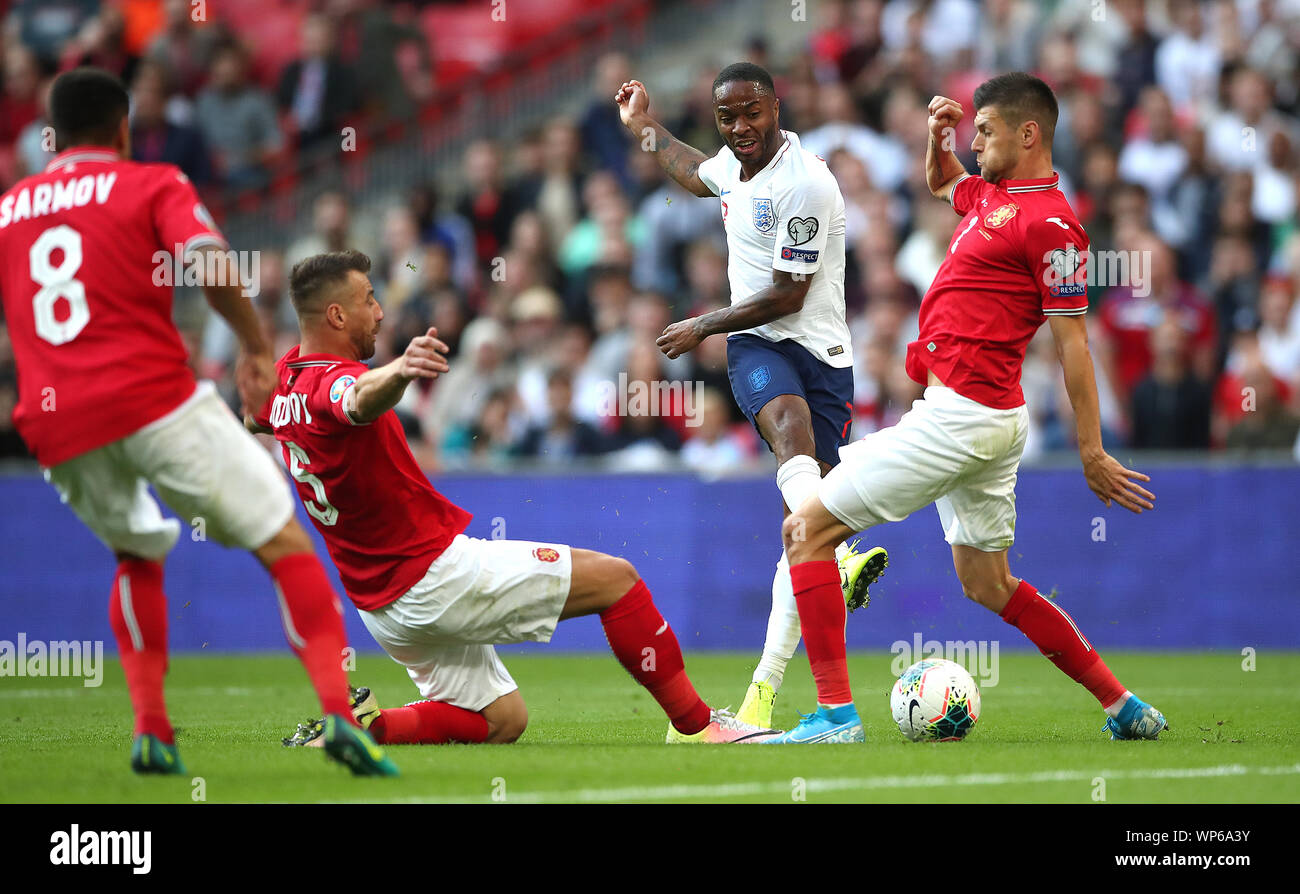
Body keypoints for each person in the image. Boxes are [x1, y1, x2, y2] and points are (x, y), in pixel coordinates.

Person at [0, 68, 392, 775]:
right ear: (123, 128)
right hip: (149, 396)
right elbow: (209, 263)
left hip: (56, 422)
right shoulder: (152, 183)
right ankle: (340, 715)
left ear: (49, 134)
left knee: (135, 551)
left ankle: (152, 729)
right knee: (279, 536)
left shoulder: (10, 209)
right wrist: (253, 343)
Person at [770, 73, 1168, 744]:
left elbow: (1074, 344)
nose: (974, 142)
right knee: (989, 582)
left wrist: (1091, 448)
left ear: (1028, 133)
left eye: (985, 131)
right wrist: (937, 138)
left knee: (805, 532)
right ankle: (1121, 705)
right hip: (984, 419)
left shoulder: (1055, 226)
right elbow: (940, 182)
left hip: (962, 418)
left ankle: (835, 715)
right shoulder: (993, 197)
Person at [251, 251, 775, 747]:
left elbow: (265, 414)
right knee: (618, 581)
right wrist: (400, 372)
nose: (380, 311)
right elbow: (358, 401)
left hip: (380, 606)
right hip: (429, 577)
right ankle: (698, 725)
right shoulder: (338, 383)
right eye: (368, 299)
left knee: (501, 720)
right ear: (337, 314)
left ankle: (365, 727)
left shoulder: (289, 379)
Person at [614, 63, 887, 730]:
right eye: (728, 117)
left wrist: (705, 322)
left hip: (821, 355)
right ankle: (844, 558)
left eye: (751, 113)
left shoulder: (807, 184)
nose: (740, 128)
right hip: (758, 346)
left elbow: (791, 294)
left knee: (800, 534)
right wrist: (643, 126)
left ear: (776, 107)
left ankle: (763, 690)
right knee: (789, 433)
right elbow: (689, 169)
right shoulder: (734, 168)